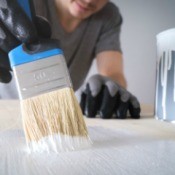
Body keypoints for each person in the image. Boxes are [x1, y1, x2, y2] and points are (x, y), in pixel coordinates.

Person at [0, 0, 140, 119]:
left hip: (58, 114)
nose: (90, 1)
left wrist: (109, 87)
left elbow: (113, 73)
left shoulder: (108, 15)